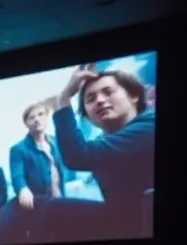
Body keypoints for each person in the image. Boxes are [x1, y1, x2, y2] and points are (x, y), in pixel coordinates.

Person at [53, 65, 156, 235]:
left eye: (108, 92)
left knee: (43, 210)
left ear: (134, 96)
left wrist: (64, 99)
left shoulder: (150, 125)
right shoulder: (104, 142)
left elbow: (78, 156)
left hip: (143, 229)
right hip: (126, 224)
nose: (100, 100)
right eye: (90, 99)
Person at [9, 101, 69, 211]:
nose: (37, 119)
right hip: (38, 206)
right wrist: (23, 189)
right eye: (31, 117)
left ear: (46, 118)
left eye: (41, 114)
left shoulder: (55, 142)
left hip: (60, 199)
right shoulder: (18, 149)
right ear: (26, 123)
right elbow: (17, 176)